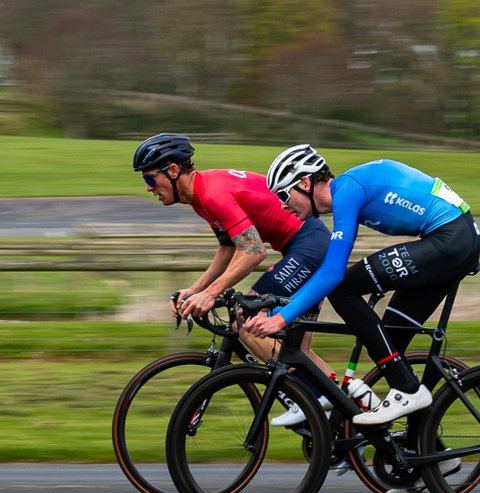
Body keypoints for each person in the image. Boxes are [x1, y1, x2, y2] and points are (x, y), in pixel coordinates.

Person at [243, 145, 480, 432]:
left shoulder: (347, 191)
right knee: (389, 341)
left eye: (284, 194)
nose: (282, 205)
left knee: (344, 289)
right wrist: (287, 310)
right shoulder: (348, 192)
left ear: (304, 182)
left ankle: (406, 389)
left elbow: (332, 273)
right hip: (455, 240)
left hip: (451, 239)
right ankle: (419, 446)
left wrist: (281, 318)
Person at [133, 132, 357, 426]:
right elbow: (229, 246)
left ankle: (312, 404)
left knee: (246, 319)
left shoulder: (211, 193)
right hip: (308, 246)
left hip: (307, 247)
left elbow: (253, 251)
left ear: (173, 171)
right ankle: (347, 419)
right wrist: (195, 289)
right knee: (297, 351)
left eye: (150, 180)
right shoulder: (199, 196)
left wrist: (211, 294)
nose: (150, 188)